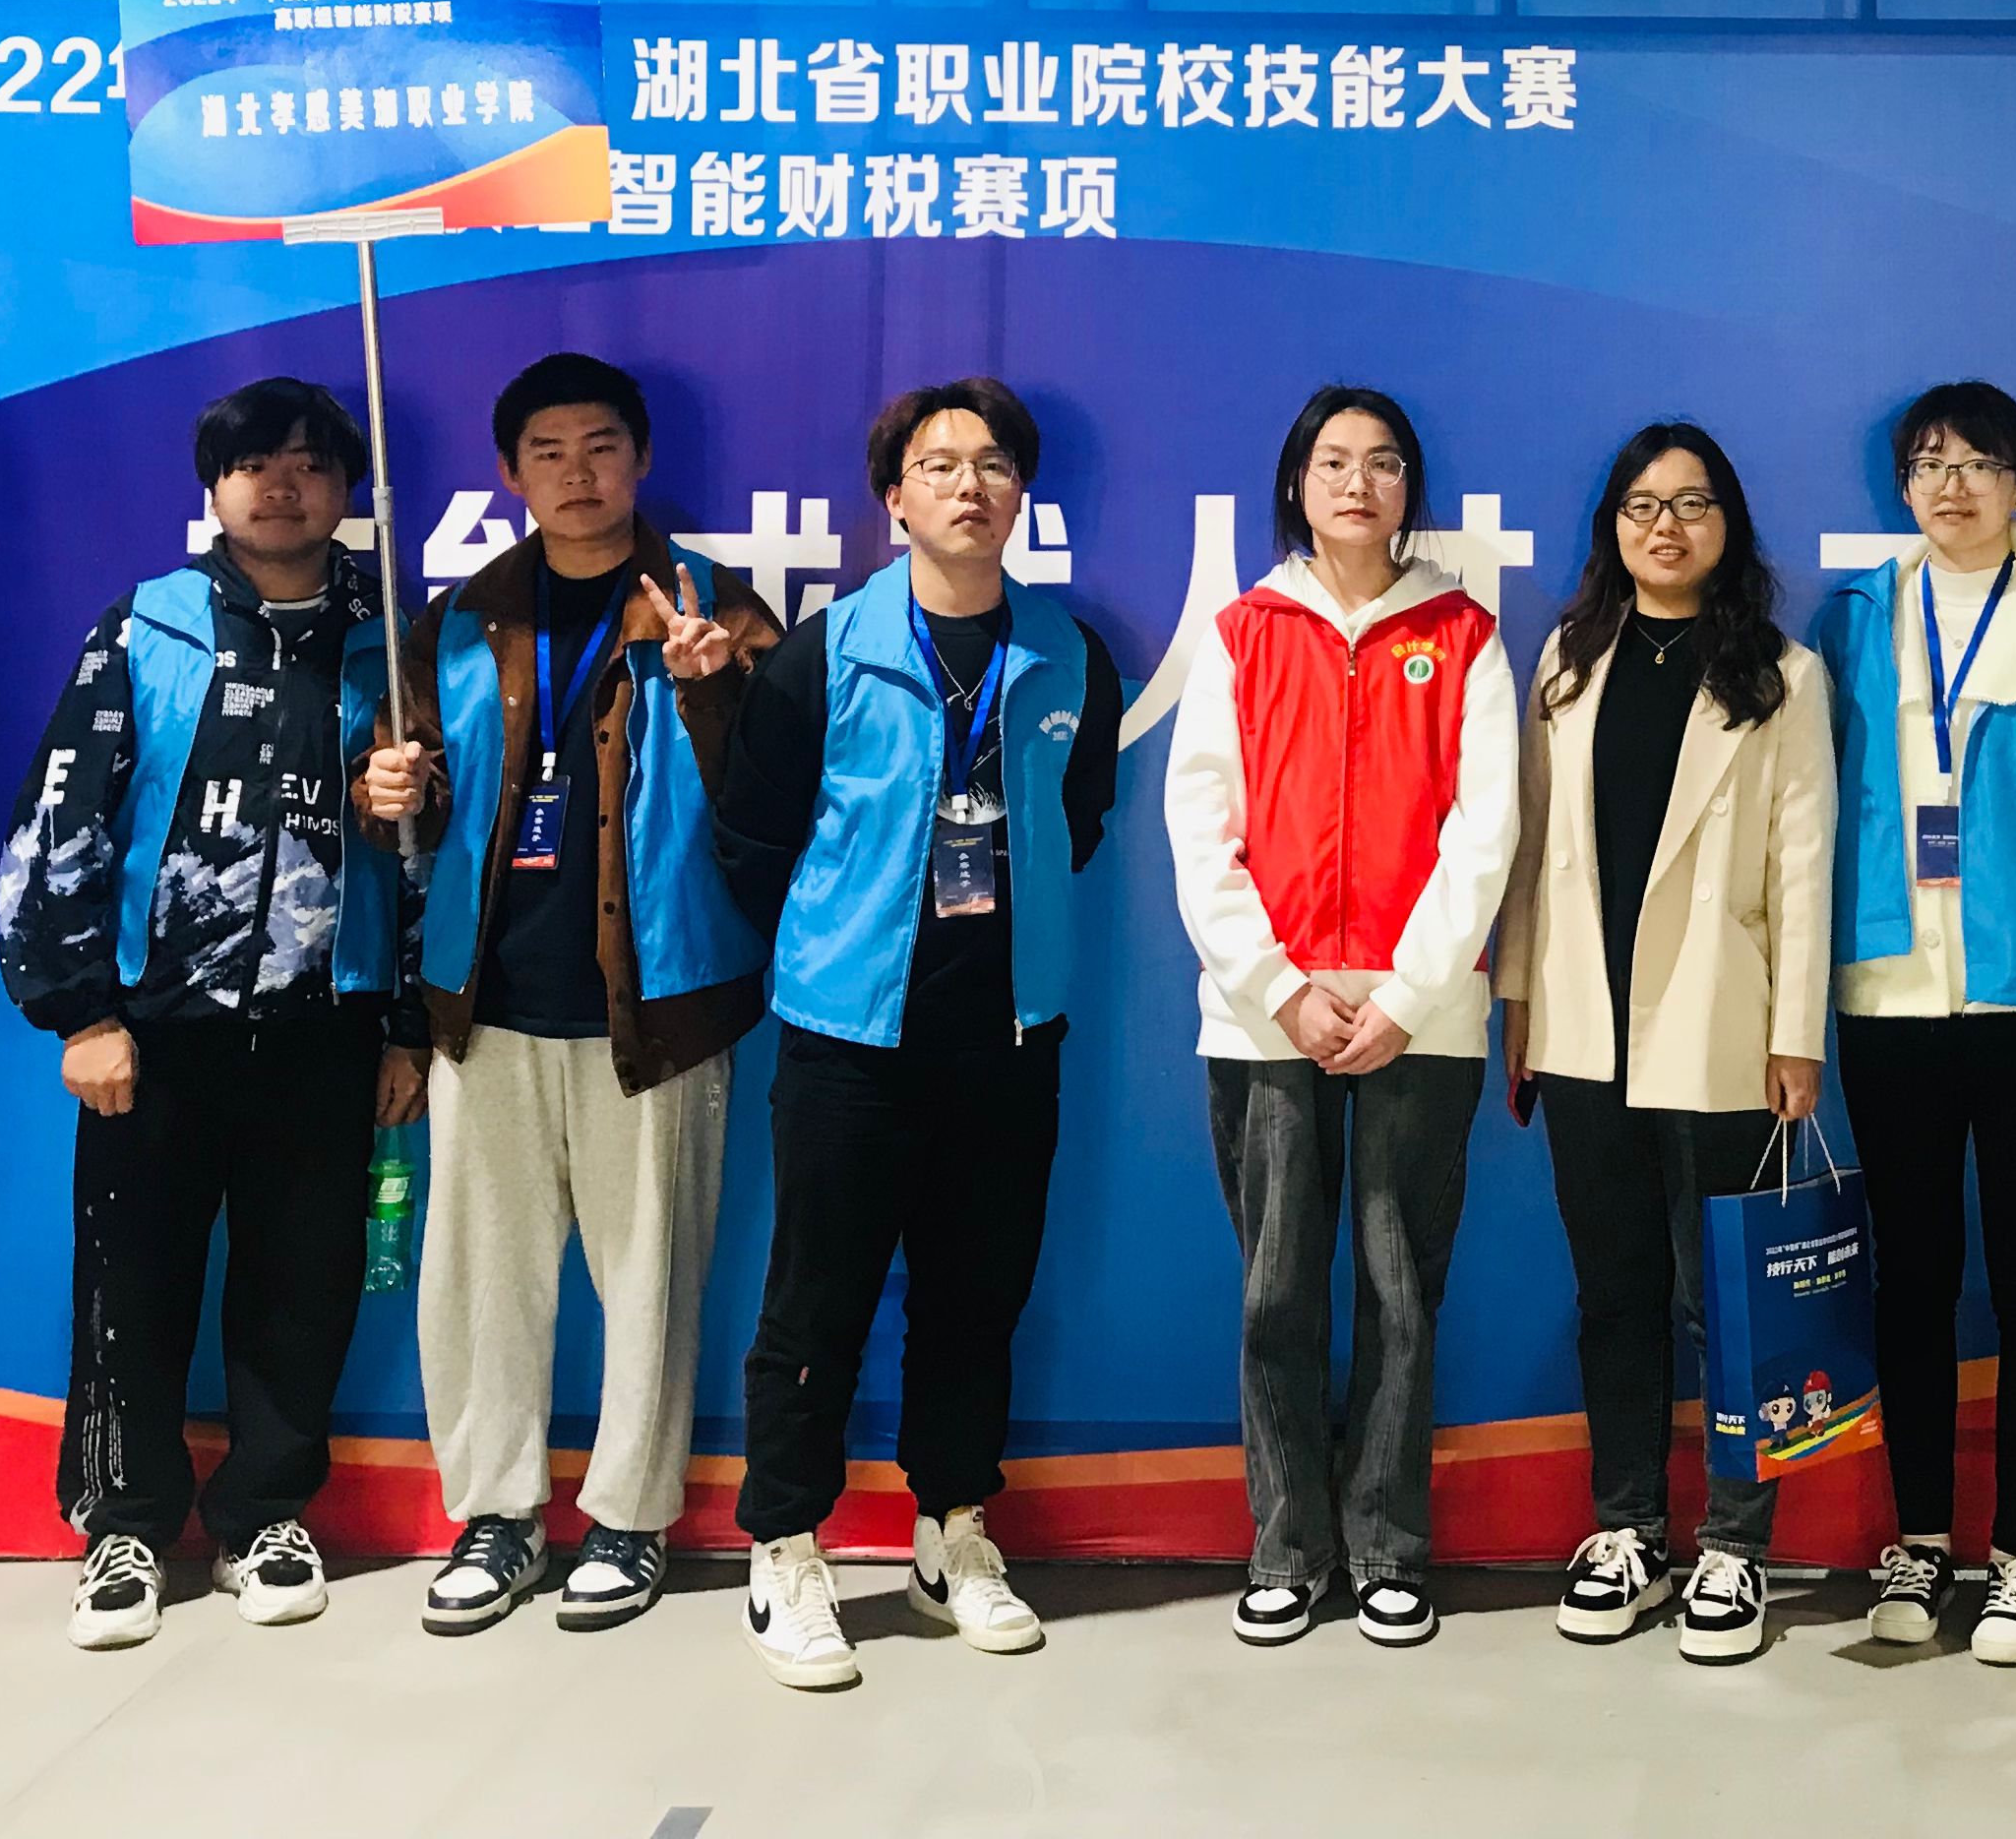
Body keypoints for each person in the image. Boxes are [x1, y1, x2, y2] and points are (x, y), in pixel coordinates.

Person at [0, 379, 430, 1650]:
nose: (281, 487)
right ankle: (123, 1523)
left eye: (309, 464)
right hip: (156, 1033)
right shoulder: (150, 628)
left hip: (328, 1029)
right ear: (216, 488)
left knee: (302, 1285)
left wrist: (407, 1022)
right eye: (255, 465)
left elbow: (441, 865)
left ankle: (265, 1514)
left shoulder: (396, 642)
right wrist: (81, 1013)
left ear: (347, 489)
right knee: (130, 1282)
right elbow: (61, 820)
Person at [352, 353, 778, 1637]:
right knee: (479, 1280)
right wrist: (386, 792)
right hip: (483, 1005)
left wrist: (712, 686)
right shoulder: (460, 618)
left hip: (659, 1006)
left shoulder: (713, 605)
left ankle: (632, 1520)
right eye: (548, 450)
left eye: (601, 446)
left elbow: (776, 802)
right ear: (510, 472)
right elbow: (404, 795)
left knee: (651, 1279)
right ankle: (496, 1514)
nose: (577, 472)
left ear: (639, 459)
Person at [715, 378, 1126, 1691]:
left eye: (993, 465)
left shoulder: (1067, 653)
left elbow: (1081, 817)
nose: (969, 486)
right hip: (850, 1040)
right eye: (939, 466)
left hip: (1008, 1038)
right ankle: (786, 1548)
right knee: (816, 1304)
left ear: (1022, 494)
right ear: (894, 498)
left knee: (976, 1301)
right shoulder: (826, 651)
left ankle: (953, 1533)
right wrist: (841, 943)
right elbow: (756, 838)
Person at [1166, 385, 1518, 1649]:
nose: (1357, 483)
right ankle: (1286, 1545)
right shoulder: (1243, 633)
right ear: (1297, 485)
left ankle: (1386, 1545)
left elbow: (1486, 832)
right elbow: (1199, 828)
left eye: (1382, 463)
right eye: (1332, 462)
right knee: (1275, 1293)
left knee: (1399, 1290)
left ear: (1410, 488)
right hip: (1267, 1017)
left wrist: (1410, 995)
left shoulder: (1466, 637)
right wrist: (1280, 987)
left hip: (1422, 1020)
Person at [1808, 380, 2016, 1667]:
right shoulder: (1855, 619)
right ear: (1902, 487)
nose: (1952, 487)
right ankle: (1919, 1541)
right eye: (1929, 465)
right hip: (1890, 993)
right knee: (1910, 1280)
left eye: (1980, 464)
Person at [1498, 421, 1833, 1666]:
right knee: (1616, 1291)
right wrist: (1520, 1006)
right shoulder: (1566, 661)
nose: (1666, 526)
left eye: (1693, 504)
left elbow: (1804, 867)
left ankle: (1737, 1546)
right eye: (1642, 505)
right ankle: (1628, 1529)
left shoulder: (1781, 676)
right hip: (1582, 1026)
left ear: (1727, 526)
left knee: (1727, 1299)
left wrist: (1797, 1035)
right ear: (1613, 527)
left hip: (1721, 1023)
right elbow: (1533, 847)